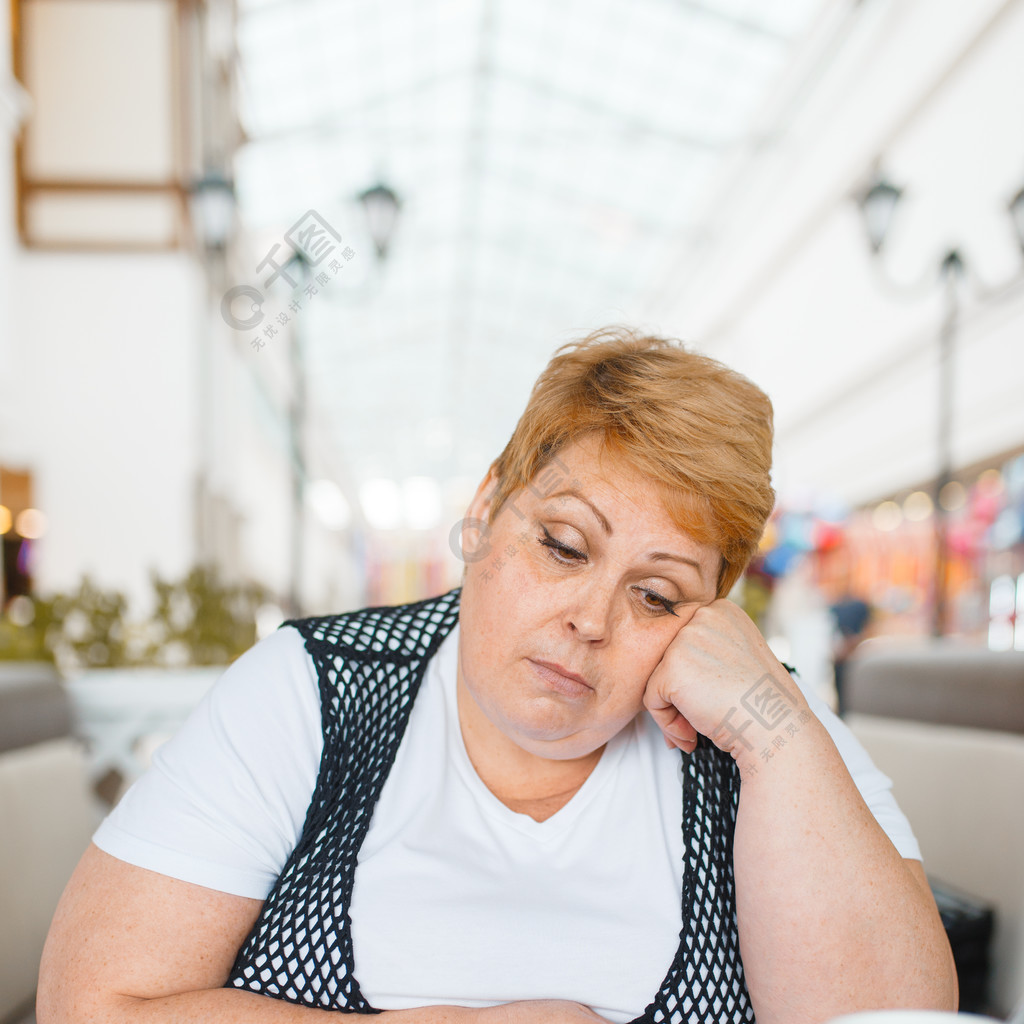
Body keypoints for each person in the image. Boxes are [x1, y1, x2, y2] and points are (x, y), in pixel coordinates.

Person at [37, 327, 957, 1024]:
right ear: (484, 513)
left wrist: (773, 729)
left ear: (716, 612)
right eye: (563, 547)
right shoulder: (312, 692)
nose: (589, 621)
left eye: (657, 595)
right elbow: (94, 1006)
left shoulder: (768, 721)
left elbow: (896, 1017)